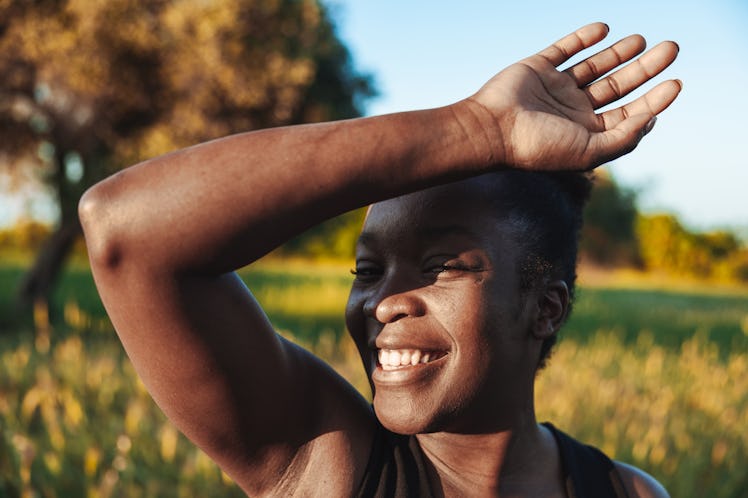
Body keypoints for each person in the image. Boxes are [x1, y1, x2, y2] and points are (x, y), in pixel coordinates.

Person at [79, 23, 681, 497]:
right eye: (367, 271)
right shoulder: (326, 460)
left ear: (544, 308)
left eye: (440, 265)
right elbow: (125, 228)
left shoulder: (624, 490)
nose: (384, 301)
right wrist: (476, 129)